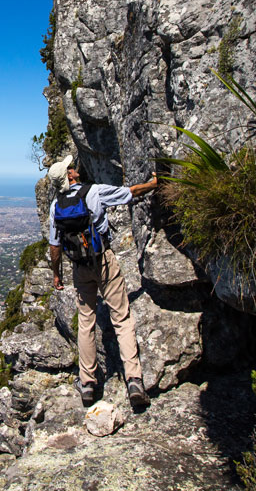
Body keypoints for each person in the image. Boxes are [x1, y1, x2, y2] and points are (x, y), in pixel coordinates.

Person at [46, 154, 159, 408]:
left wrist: (57, 274)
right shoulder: (93, 192)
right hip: (103, 259)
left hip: (79, 267)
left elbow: (54, 246)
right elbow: (129, 192)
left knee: (86, 323)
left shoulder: (56, 206)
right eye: (70, 168)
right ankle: (134, 380)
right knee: (121, 316)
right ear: (70, 176)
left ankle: (87, 383)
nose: (74, 168)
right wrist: (152, 184)